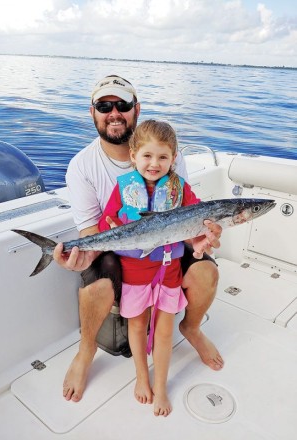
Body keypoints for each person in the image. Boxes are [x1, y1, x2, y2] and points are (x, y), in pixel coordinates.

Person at [53, 75, 223, 405]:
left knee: (207, 271)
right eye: (105, 106)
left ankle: (191, 328)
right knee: (98, 285)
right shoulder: (82, 166)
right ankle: (86, 351)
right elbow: (92, 232)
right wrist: (82, 255)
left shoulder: (169, 156)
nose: (114, 112)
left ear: (136, 109)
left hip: (169, 245)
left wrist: (200, 240)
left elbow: (182, 216)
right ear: (93, 113)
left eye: (123, 105)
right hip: (115, 245)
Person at [98, 119, 208, 416]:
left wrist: (203, 237)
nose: (154, 163)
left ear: (174, 158)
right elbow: (103, 223)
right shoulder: (122, 189)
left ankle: (160, 386)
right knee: (136, 325)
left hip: (169, 273)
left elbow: (198, 222)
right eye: (147, 156)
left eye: (163, 157)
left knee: (163, 332)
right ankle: (141, 376)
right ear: (133, 155)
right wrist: (112, 227)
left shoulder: (181, 189)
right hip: (134, 273)